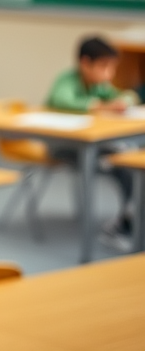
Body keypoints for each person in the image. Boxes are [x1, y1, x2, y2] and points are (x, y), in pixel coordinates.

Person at [46, 35, 139, 247]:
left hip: (94, 145)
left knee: (131, 158)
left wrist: (121, 101)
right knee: (124, 166)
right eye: (104, 66)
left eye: (112, 67)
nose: (109, 73)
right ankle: (124, 223)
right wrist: (103, 106)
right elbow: (64, 101)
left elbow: (128, 96)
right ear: (85, 63)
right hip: (64, 147)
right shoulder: (67, 80)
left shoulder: (99, 86)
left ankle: (131, 217)